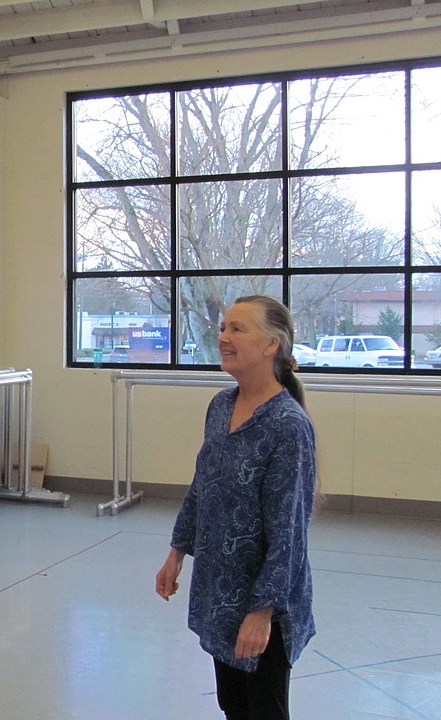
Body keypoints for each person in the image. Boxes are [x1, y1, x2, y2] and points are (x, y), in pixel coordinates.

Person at [155, 295, 317, 720]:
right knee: (233, 704)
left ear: (271, 346)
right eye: (223, 328)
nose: (223, 337)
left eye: (237, 329)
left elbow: (290, 532)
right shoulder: (221, 406)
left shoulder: (288, 426)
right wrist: (176, 552)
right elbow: (202, 486)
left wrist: (263, 612)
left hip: (264, 601)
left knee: (264, 710)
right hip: (220, 591)